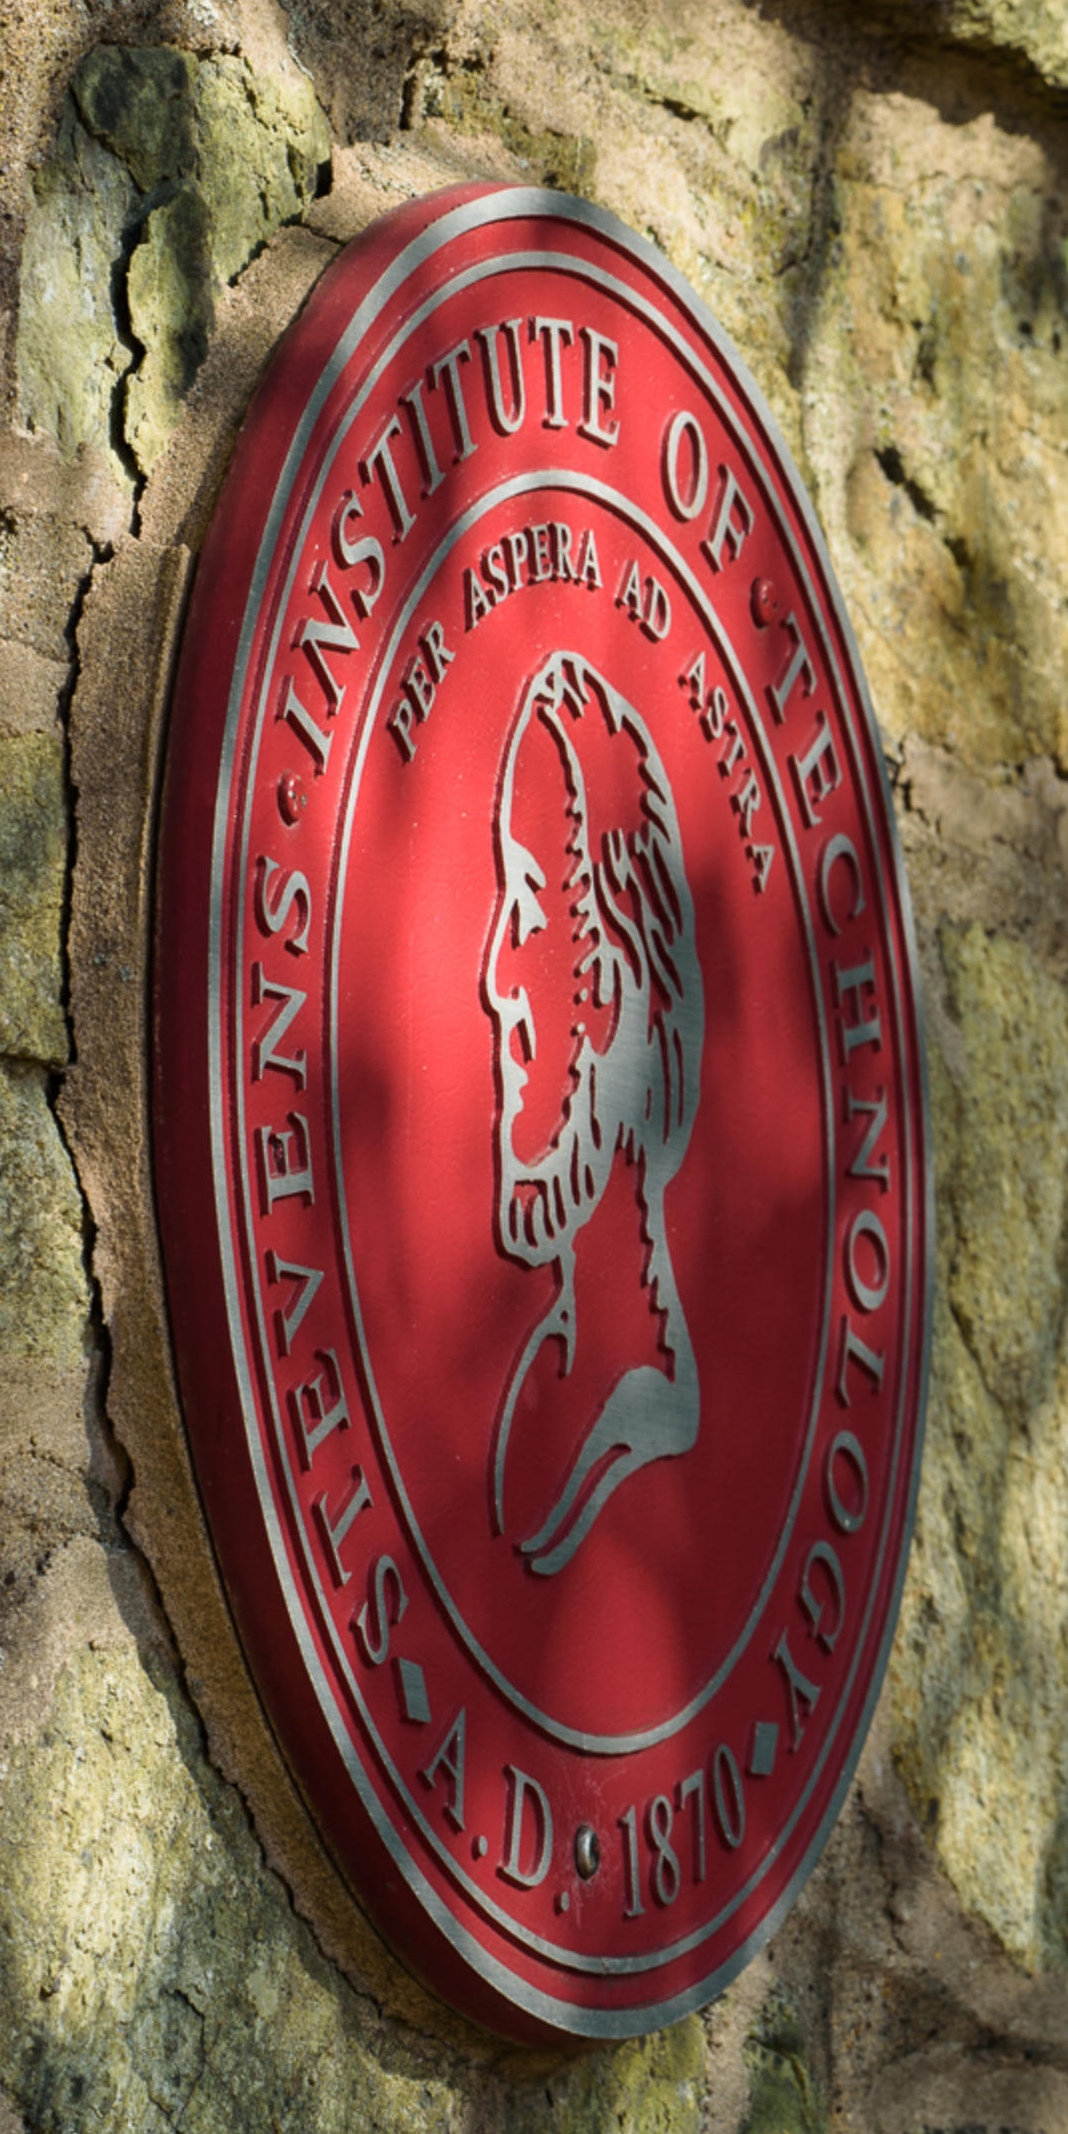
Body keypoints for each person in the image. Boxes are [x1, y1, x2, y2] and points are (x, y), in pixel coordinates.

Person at [482, 649, 704, 1577]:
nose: (498, 979)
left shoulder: (624, 1402)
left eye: (528, 906)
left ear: (613, 995)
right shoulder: (546, 1377)